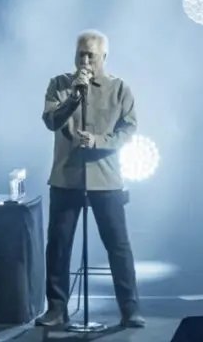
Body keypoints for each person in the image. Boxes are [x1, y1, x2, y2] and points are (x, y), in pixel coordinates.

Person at [38, 30, 144, 329]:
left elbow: (128, 130)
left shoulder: (119, 89)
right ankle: (56, 309)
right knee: (58, 246)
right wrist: (74, 97)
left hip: (106, 178)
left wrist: (99, 141)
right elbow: (51, 121)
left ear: (104, 57)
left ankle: (130, 309)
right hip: (66, 177)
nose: (85, 61)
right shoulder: (59, 84)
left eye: (91, 56)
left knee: (118, 246)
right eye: (81, 54)